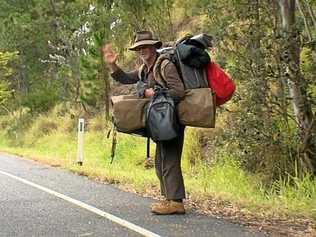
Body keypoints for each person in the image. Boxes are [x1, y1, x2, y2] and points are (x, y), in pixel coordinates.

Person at [102, 31, 186, 215]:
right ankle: (169, 198)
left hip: (172, 119)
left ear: (154, 46)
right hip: (161, 120)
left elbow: (179, 91)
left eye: (146, 46)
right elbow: (125, 78)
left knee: (170, 159)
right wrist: (113, 65)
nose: (142, 50)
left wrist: (155, 94)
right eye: (139, 47)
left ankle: (176, 202)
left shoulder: (164, 65)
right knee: (161, 159)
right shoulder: (145, 69)